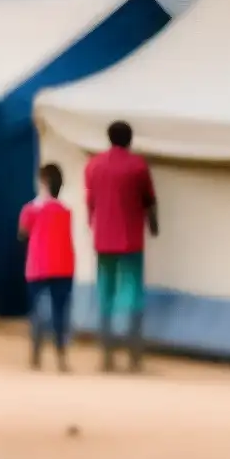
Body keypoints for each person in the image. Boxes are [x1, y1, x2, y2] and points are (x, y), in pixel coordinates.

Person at [84, 120, 158, 372]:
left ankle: (106, 357)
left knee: (105, 295)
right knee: (133, 296)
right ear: (129, 139)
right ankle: (134, 358)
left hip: (103, 239)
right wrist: (154, 226)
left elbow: (90, 201)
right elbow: (149, 201)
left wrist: (93, 225)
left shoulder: (93, 165)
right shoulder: (138, 166)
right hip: (130, 241)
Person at [19, 162, 77, 372]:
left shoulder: (30, 210)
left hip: (37, 267)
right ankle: (61, 356)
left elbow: (22, 233)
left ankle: (35, 355)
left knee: (38, 312)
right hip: (63, 266)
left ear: (43, 183)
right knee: (61, 312)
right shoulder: (66, 211)